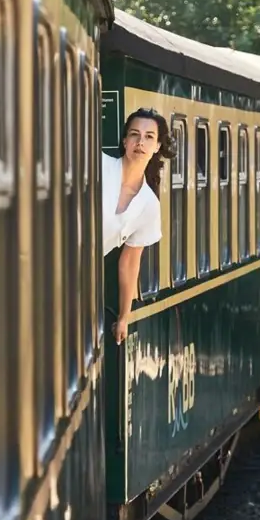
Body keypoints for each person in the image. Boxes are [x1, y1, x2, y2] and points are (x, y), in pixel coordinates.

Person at [104, 107, 172, 343]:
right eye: (134, 134)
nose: (140, 142)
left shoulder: (148, 205)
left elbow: (130, 262)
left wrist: (124, 316)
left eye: (149, 137)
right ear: (125, 141)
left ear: (157, 148)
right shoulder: (96, 166)